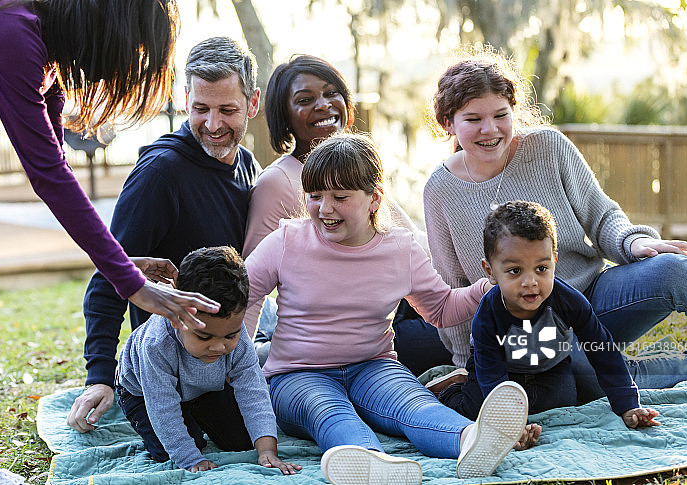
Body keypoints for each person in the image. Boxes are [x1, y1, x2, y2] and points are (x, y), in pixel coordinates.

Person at [0, 0, 221, 484]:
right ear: (105, 27)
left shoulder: (45, 57)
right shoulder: (9, 33)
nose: (131, 62)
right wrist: (132, 284)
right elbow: (47, 175)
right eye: (133, 47)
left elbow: (57, 176)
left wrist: (121, 264)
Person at [244, 134, 539, 482]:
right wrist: (242, 364)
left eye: (340, 197)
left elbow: (440, 309)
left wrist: (484, 289)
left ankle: (474, 439)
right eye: (314, 196)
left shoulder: (401, 249)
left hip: (373, 367)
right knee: (329, 411)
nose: (324, 209)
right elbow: (244, 296)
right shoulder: (285, 241)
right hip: (296, 375)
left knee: (414, 404)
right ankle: (370, 462)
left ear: (374, 199)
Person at [423, 47, 687, 402]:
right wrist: (469, 363)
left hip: (591, 297)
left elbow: (601, 216)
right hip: (527, 326)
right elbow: (455, 286)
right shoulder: (440, 190)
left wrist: (633, 243)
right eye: (473, 119)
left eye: (500, 114)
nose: (489, 129)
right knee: (588, 375)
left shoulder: (550, 147)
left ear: (514, 112)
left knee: (671, 270)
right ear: (448, 123)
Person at [66, 36, 262, 433]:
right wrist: (99, 375)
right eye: (200, 109)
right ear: (184, 97)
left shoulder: (248, 166)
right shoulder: (160, 174)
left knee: (260, 429)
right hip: (169, 361)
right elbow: (110, 273)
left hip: (224, 349)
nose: (213, 125)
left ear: (253, 104)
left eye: (228, 110)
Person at [243, 54, 451, 375]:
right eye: (305, 99)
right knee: (482, 338)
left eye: (331, 93)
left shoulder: (356, 166)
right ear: (284, 116)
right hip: (371, 326)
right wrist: (247, 365)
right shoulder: (278, 181)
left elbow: (410, 239)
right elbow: (254, 281)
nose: (324, 105)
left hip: (414, 297)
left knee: (488, 323)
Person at [439, 201, 661, 431]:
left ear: (554, 260)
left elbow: (603, 350)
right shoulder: (488, 315)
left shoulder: (569, 301)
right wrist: (512, 428)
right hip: (497, 369)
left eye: (541, 268)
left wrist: (628, 405)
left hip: (549, 367)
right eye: (515, 271)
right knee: (476, 411)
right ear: (490, 271)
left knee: (561, 401)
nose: (530, 282)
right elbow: (492, 377)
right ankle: (452, 390)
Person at [116, 246, 301, 474]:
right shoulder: (157, 344)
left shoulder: (236, 333)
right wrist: (190, 459)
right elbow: (162, 409)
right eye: (203, 336)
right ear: (177, 317)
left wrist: (267, 451)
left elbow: (253, 390)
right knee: (175, 449)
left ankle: (195, 413)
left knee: (241, 441)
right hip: (143, 394)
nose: (219, 346)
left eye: (230, 335)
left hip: (202, 388)